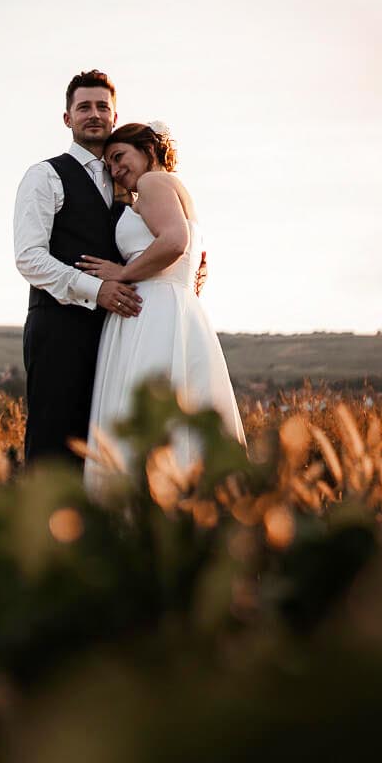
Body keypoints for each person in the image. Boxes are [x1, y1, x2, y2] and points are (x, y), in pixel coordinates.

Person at [77, 119, 245, 496]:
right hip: (179, 309)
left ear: (149, 151)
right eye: (110, 166)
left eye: (120, 157)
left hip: (150, 312)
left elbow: (174, 240)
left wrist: (122, 273)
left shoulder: (153, 182)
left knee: (145, 417)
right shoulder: (177, 190)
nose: (117, 170)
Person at [12, 70, 141, 466]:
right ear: (67, 118)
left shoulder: (130, 182)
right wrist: (94, 288)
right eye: (83, 107)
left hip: (118, 333)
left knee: (106, 448)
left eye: (103, 106)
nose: (94, 114)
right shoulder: (45, 176)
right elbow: (29, 258)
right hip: (59, 331)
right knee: (55, 445)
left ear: (115, 117)